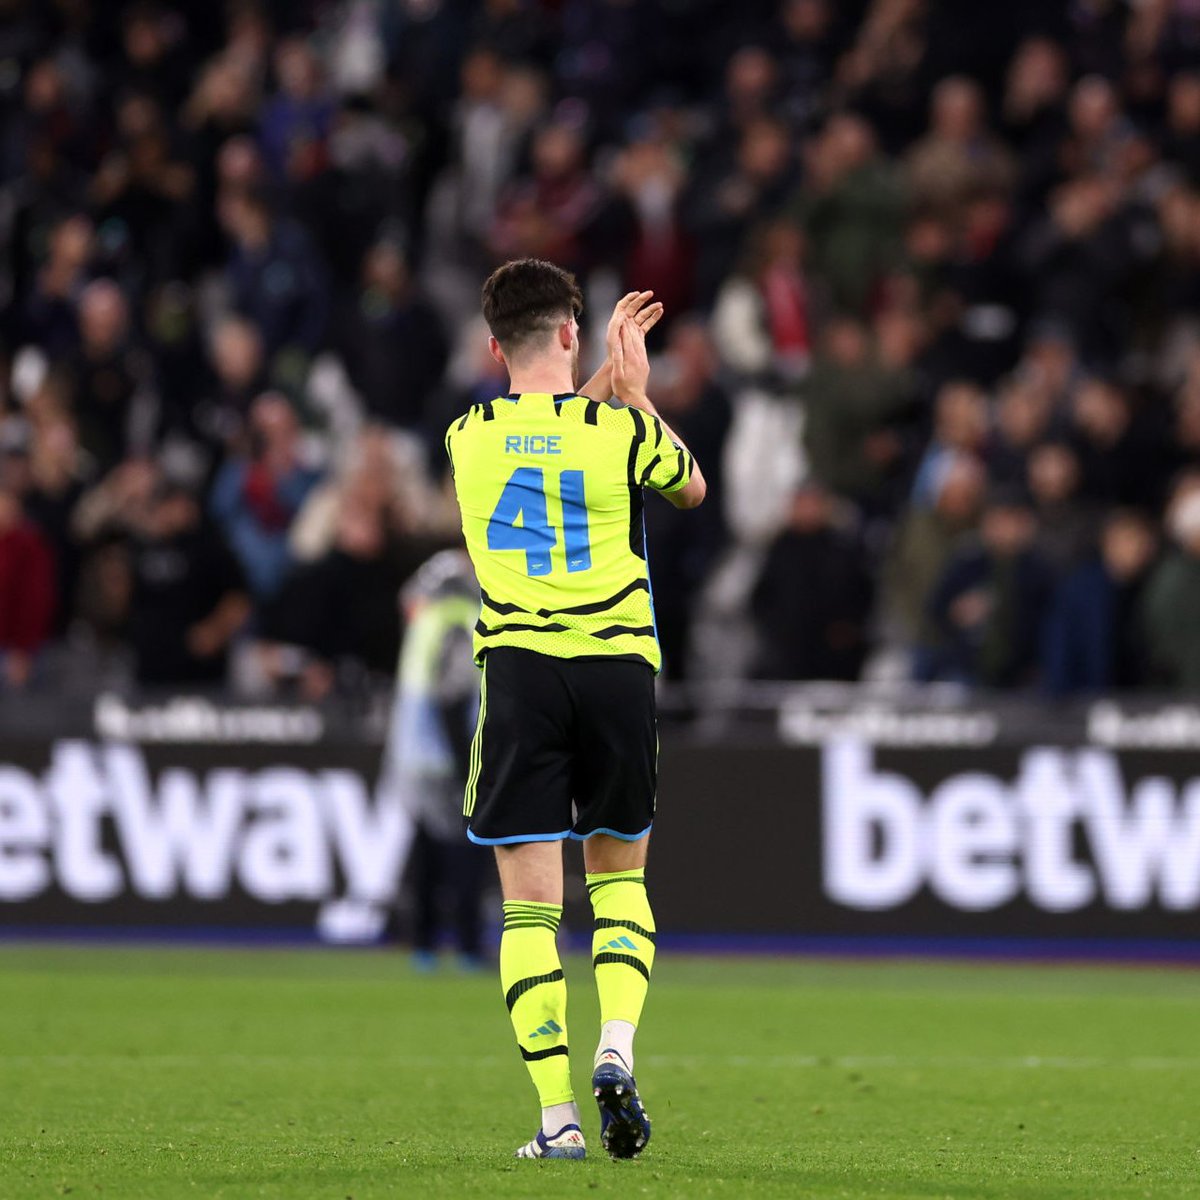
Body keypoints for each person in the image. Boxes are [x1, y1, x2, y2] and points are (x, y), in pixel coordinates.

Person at [444, 260, 705, 1162]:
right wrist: (636, 393)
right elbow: (690, 488)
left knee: (527, 914)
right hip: (615, 670)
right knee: (620, 883)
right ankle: (616, 1050)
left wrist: (604, 390)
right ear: (569, 333)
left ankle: (556, 1121)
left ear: (491, 347)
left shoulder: (467, 436)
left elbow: (541, 433)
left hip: (519, 672)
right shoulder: (620, 433)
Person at [383, 550, 491, 969]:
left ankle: (424, 944)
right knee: (468, 847)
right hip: (458, 749)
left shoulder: (426, 622)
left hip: (418, 753)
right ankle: (465, 945)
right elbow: (457, 693)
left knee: (426, 847)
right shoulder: (463, 617)